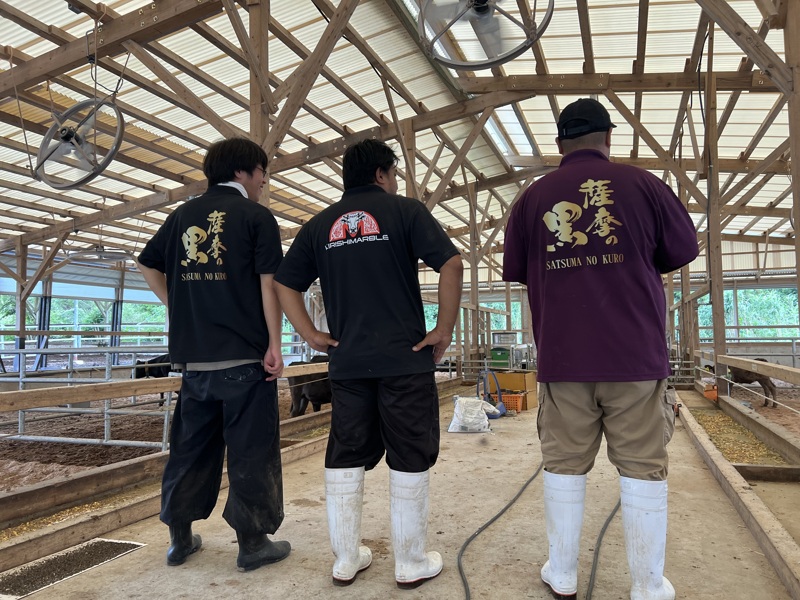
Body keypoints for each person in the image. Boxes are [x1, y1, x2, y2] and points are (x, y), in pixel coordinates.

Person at [503, 98, 698, 600]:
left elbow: (519, 269)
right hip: (635, 360)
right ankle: (647, 584)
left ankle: (563, 573)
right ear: (609, 137)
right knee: (643, 466)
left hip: (564, 360)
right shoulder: (645, 185)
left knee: (563, 463)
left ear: (559, 143)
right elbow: (680, 251)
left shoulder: (532, 199)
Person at [274, 139, 463, 589]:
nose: (395, 182)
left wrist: (310, 334)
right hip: (405, 358)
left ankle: (345, 559)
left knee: (345, 451)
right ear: (381, 173)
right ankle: (410, 562)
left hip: (348, 361)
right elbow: (452, 264)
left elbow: (285, 283)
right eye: (393, 174)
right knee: (410, 451)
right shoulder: (406, 212)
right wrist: (443, 329)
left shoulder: (320, 225)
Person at [137, 137, 291, 572]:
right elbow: (269, 284)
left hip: (194, 362)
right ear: (243, 171)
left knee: (189, 448)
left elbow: (146, 263)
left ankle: (180, 541)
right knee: (251, 449)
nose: (263, 181)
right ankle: (253, 544)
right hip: (243, 359)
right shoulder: (257, 217)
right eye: (262, 173)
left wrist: (177, 305)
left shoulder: (181, 215)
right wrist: (274, 345)